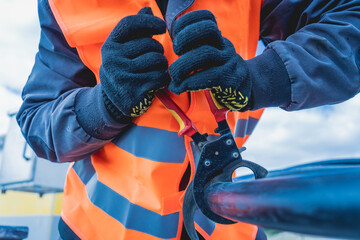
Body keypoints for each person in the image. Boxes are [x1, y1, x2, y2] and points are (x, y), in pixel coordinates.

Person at [16, 0, 360, 239]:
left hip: (227, 227)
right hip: (94, 230)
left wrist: (258, 80)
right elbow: (36, 122)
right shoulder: (61, 5)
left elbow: (351, 22)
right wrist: (103, 105)